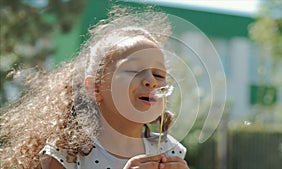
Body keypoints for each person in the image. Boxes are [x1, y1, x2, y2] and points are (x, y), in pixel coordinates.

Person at [0, 6, 189, 169]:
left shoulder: (168, 150)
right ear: (94, 88)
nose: (151, 81)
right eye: (134, 70)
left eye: (159, 75)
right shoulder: (67, 153)